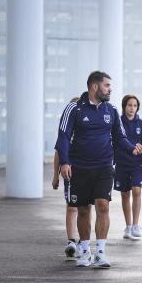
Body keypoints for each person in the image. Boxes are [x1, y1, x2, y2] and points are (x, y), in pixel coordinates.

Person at [55, 71, 142, 268]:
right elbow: (63, 136)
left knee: (103, 205)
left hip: (104, 166)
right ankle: (85, 250)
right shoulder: (74, 108)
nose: (110, 89)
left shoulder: (111, 110)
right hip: (79, 167)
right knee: (83, 210)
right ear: (94, 87)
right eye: (106, 86)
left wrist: (132, 147)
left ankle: (101, 252)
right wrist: (64, 162)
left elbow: (120, 137)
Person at [52, 96, 87, 260]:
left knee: (85, 207)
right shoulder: (65, 133)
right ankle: (71, 241)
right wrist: (55, 176)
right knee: (72, 206)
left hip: (86, 171)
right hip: (70, 172)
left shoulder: (87, 132)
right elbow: (58, 153)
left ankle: (83, 242)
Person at [114, 95, 142, 240]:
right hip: (122, 163)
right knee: (125, 194)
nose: (132, 108)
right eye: (129, 105)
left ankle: (136, 225)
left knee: (136, 190)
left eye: (135, 105)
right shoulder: (118, 122)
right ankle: (128, 226)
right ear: (124, 106)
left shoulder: (141, 123)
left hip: (137, 163)